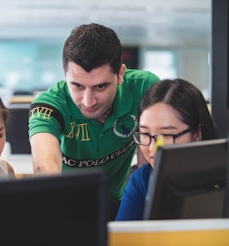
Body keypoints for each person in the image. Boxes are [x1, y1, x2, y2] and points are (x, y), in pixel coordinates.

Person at [28, 23, 160, 219]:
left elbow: (148, 164)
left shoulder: (144, 87)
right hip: (63, 206)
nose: (88, 101)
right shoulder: (49, 104)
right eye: (77, 86)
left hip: (118, 202)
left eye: (100, 87)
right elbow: (45, 167)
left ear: (121, 74)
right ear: (65, 75)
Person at [115, 78, 218, 221]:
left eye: (165, 135)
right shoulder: (142, 180)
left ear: (197, 133)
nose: (152, 148)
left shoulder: (221, 179)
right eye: (145, 134)